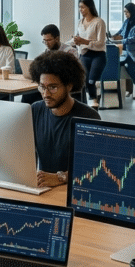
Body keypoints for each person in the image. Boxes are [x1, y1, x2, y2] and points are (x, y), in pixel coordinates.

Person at [28, 50, 101, 188]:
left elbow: (97, 166)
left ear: (69, 86)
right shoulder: (35, 110)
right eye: (42, 87)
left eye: (53, 87)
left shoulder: (89, 117)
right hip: (43, 187)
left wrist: (61, 177)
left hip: (75, 187)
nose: (46, 94)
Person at [67, 0, 107, 109]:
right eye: (79, 7)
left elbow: (101, 42)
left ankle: (94, 101)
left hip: (98, 55)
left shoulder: (99, 22)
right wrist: (65, 44)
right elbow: (77, 39)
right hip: (84, 55)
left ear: (89, 7)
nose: (80, 9)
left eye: (83, 7)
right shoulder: (80, 22)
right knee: (84, 81)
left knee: (91, 80)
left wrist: (83, 41)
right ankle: (91, 102)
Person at [111, 2, 135, 100]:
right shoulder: (126, 22)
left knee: (131, 68)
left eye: (127, 12)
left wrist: (121, 40)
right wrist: (112, 36)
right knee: (117, 65)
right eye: (124, 12)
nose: (125, 14)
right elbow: (120, 32)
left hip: (134, 52)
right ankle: (123, 89)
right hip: (125, 51)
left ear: (132, 11)